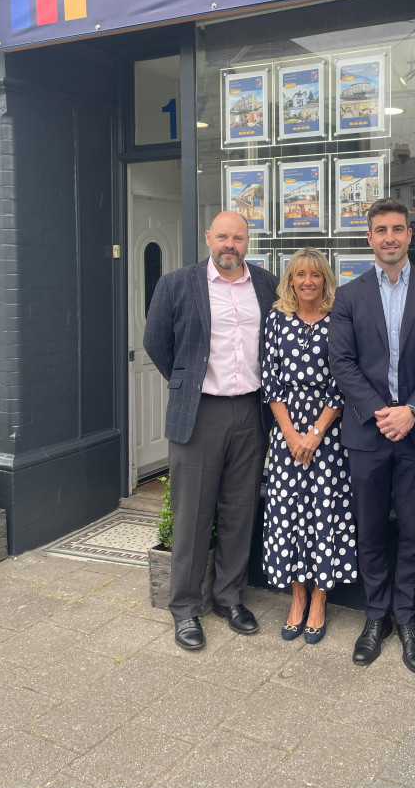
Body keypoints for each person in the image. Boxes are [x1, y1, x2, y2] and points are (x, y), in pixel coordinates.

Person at [143, 211, 278, 650]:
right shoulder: (177, 284)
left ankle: (228, 597)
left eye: (238, 238)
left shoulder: (265, 284)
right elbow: (156, 342)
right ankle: (184, 607)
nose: (229, 245)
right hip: (200, 413)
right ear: (207, 238)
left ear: (247, 242)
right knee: (192, 515)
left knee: (239, 511)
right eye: (222, 237)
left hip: (250, 412)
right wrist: (185, 384)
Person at [329, 198, 415, 673]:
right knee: (371, 529)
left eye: (398, 229)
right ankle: (375, 616)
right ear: (369, 238)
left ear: (409, 234)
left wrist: (413, 411)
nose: (390, 237)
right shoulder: (349, 295)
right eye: (381, 230)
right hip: (367, 433)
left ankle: (409, 619)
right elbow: (342, 362)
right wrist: (384, 413)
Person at [262, 248, 357, 643]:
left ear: (324, 280)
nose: (307, 282)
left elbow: (344, 381)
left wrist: (315, 434)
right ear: (290, 279)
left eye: (314, 275)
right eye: (299, 274)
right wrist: (290, 434)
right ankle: (296, 598)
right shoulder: (277, 319)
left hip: (328, 433)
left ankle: (320, 599)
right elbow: (270, 379)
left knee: (324, 511)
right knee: (288, 512)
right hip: (286, 431)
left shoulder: (339, 320)